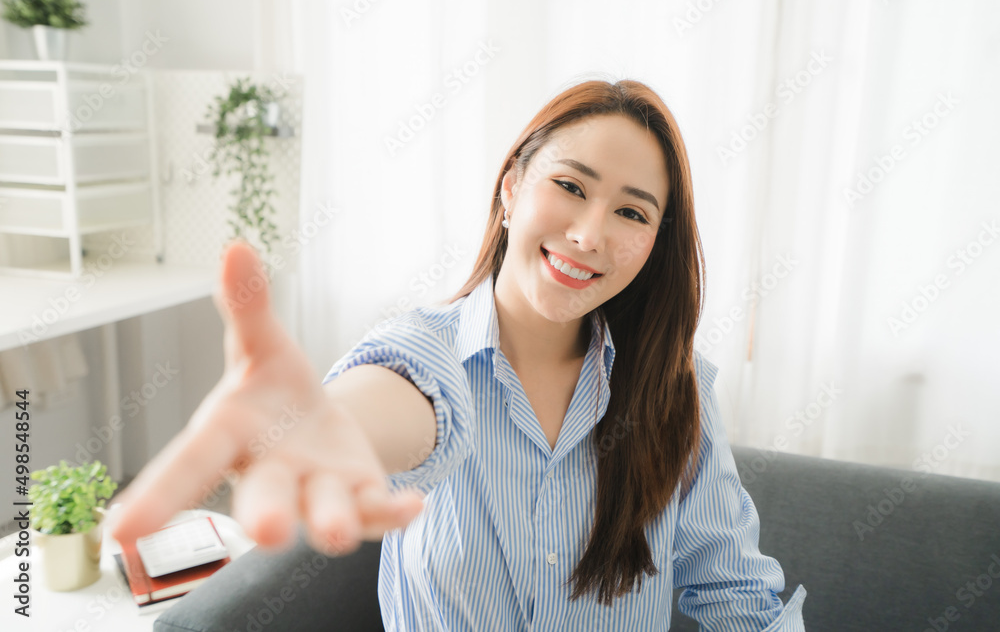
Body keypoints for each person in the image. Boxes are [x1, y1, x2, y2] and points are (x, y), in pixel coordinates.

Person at [110, 79, 807, 630]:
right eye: (570, 186)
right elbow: (401, 398)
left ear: (653, 243)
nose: (590, 233)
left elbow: (737, 594)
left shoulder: (674, 393)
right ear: (511, 190)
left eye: (632, 211)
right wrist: (316, 427)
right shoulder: (428, 352)